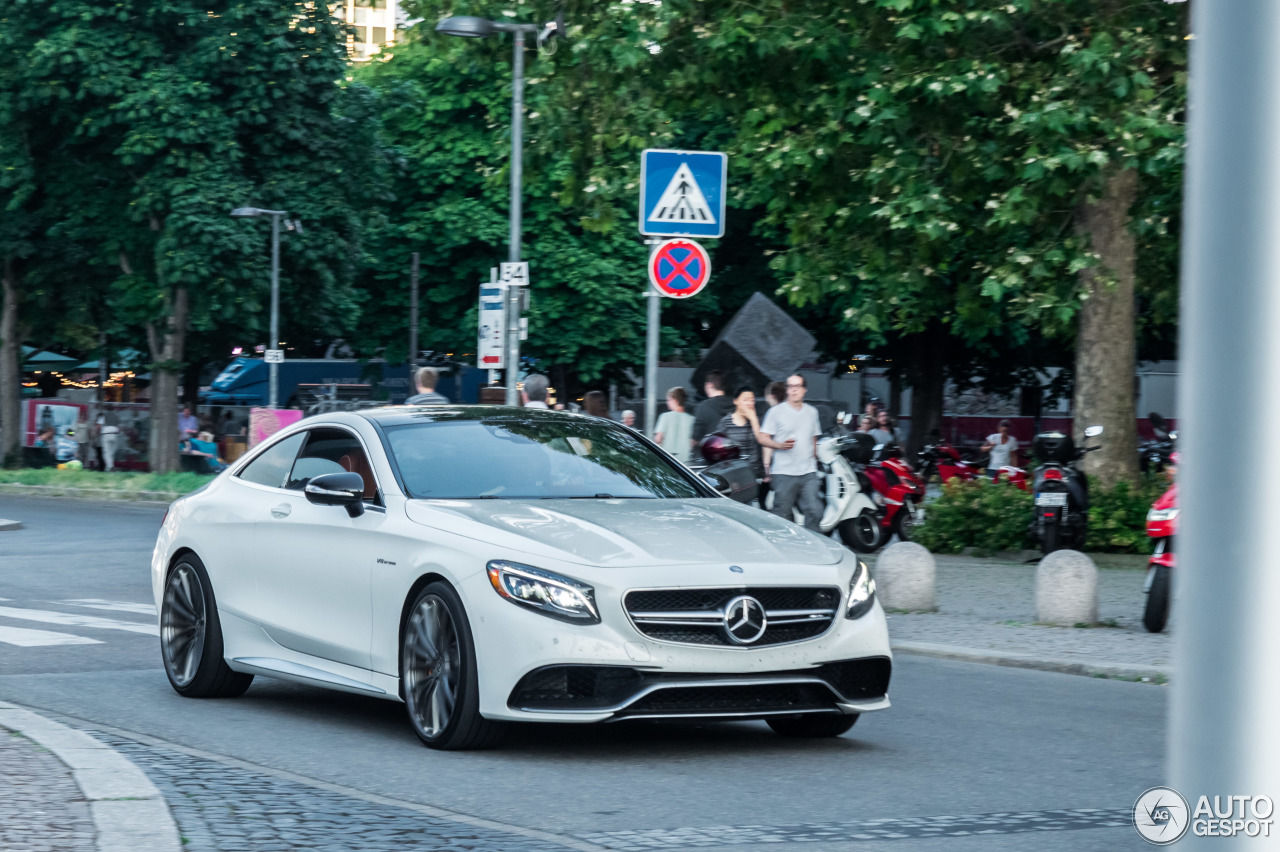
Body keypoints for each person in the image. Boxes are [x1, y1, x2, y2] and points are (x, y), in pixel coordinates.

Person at [758, 375, 824, 532]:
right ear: (787, 389)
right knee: (782, 514)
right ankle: (784, 548)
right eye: (791, 386)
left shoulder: (812, 412)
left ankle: (814, 547)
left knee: (815, 510)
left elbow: (813, 438)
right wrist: (778, 445)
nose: (794, 389)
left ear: (804, 389)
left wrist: (815, 459)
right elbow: (762, 437)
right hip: (784, 472)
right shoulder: (776, 412)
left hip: (808, 471)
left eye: (798, 386)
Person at [716, 386, 764, 483]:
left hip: (754, 473)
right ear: (736, 401)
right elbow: (719, 446)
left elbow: (762, 441)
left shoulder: (757, 422)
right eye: (746, 400)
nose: (750, 403)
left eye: (752, 400)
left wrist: (753, 419)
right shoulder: (725, 422)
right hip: (733, 472)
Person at [691, 370, 734, 445]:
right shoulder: (736, 404)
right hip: (733, 452)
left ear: (710, 385)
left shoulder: (703, 407)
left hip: (710, 453)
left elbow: (695, 439)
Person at [654, 387, 695, 463]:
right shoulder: (692, 420)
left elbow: (658, 439)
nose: (667, 402)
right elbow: (692, 443)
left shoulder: (665, 417)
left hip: (668, 463)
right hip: (685, 465)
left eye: (668, 400)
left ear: (675, 401)